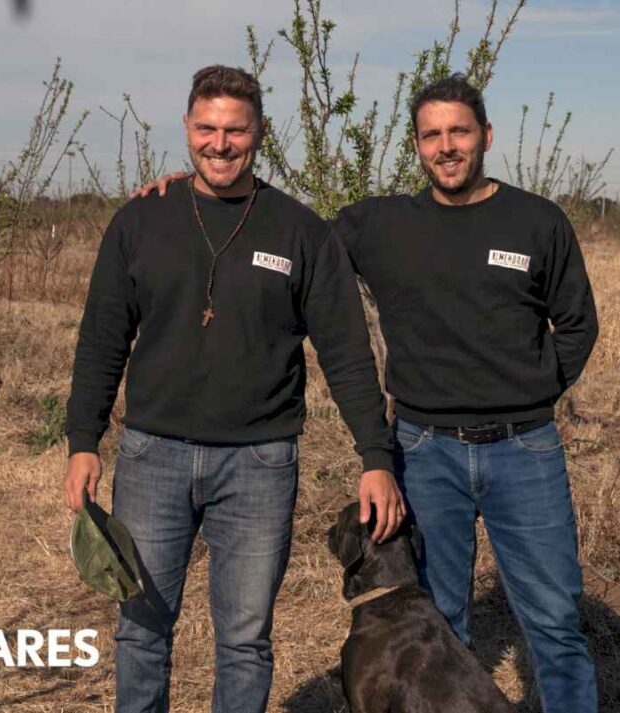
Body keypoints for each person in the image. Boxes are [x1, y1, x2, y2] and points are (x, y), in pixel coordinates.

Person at [141, 73, 599, 713]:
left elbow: (579, 324)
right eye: (431, 135)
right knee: (435, 628)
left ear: (486, 136)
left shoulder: (537, 221)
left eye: (459, 132)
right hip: (423, 453)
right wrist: (183, 197)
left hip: (525, 451)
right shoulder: (379, 224)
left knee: (553, 621)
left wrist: (531, 386)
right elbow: (282, 233)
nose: (446, 147)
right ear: (416, 146)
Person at [63, 65, 403, 713]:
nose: (220, 144)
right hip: (150, 456)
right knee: (140, 628)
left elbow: (347, 353)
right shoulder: (141, 220)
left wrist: (374, 455)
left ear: (259, 134)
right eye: (207, 128)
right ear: (188, 129)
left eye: (235, 131)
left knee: (245, 639)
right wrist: (84, 438)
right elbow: (102, 337)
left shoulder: (299, 231)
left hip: (259, 464)